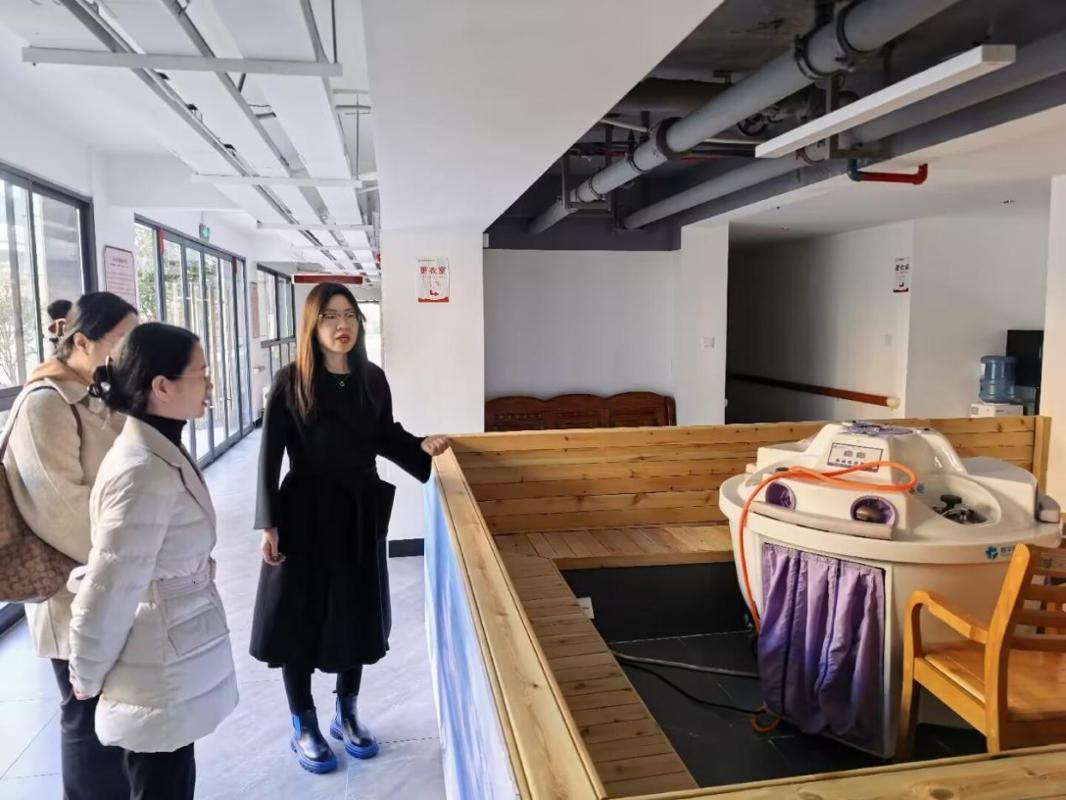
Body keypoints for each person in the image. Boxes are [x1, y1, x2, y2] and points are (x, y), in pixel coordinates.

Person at [250, 282, 451, 774]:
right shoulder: (291, 380)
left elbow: (386, 436)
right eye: (330, 316)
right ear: (312, 326)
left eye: (349, 315)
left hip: (358, 508)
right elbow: (269, 455)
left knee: (355, 611)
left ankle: (347, 709)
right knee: (300, 614)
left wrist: (423, 448)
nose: (342, 326)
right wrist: (268, 523)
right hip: (304, 510)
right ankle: (303, 720)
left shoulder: (372, 379)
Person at [68, 322, 238, 800]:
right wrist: (85, 672)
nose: (209, 384)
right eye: (200, 373)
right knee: (162, 782)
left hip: (167, 657)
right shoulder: (141, 472)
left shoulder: (160, 449)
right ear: (162, 387)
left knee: (172, 775)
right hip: (155, 669)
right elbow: (110, 587)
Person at [3, 291, 137, 800]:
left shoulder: (94, 391)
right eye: (121, 339)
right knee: (84, 710)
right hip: (71, 588)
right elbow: (61, 507)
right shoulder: (45, 404)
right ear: (81, 341)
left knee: (110, 705)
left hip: (105, 578)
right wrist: (132, 554)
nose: (129, 349)